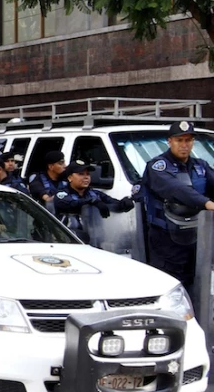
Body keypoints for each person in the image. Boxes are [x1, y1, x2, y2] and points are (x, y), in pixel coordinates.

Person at [138, 121, 214, 292]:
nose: (184, 145)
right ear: (170, 141)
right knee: (170, 285)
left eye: (188, 140)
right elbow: (177, 189)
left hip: (195, 234)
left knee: (197, 281)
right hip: (166, 237)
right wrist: (207, 203)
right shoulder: (157, 166)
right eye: (179, 140)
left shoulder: (200, 165)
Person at [55, 160, 133, 219]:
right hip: (69, 237)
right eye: (81, 174)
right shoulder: (61, 194)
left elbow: (113, 204)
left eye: (88, 174)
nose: (86, 177)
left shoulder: (95, 194)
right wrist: (93, 202)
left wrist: (124, 204)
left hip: (95, 237)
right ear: (70, 178)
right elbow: (72, 204)